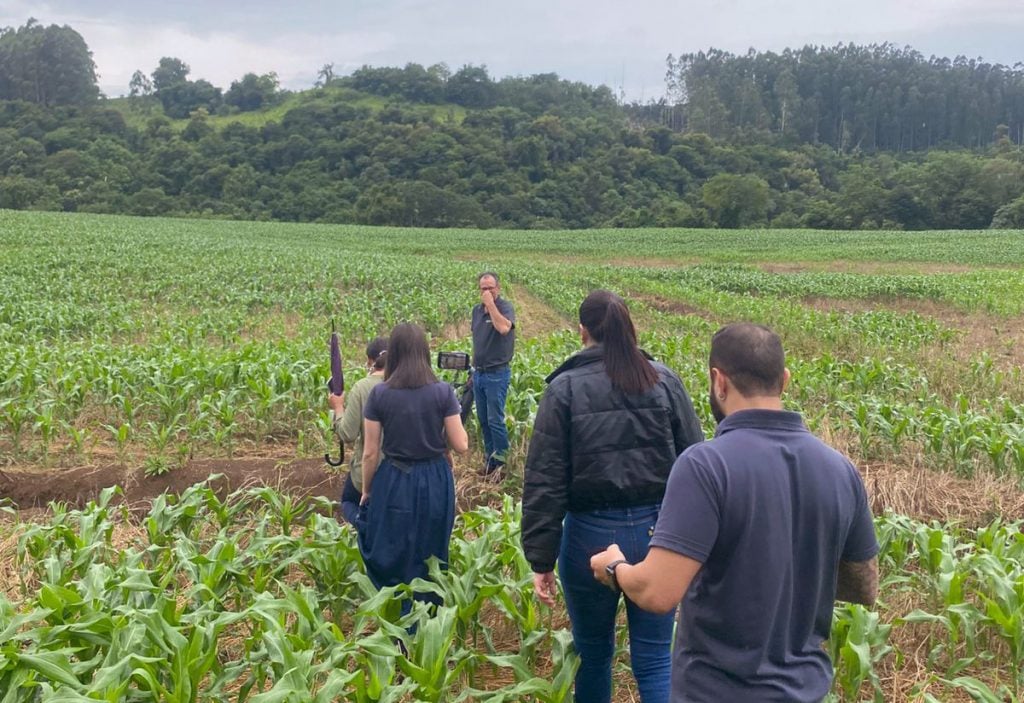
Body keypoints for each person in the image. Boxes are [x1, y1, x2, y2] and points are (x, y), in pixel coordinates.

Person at [590, 323, 880, 703]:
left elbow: (659, 592)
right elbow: (866, 586)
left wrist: (615, 568)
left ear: (718, 381)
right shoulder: (838, 468)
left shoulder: (705, 465)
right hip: (804, 691)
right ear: (785, 380)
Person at [522, 290, 705, 703]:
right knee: (656, 657)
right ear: (628, 327)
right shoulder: (663, 381)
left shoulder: (563, 389)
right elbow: (695, 460)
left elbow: (545, 481)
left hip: (589, 536)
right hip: (659, 533)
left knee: (592, 653)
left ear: (582, 330)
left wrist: (540, 558)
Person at [358, 323, 470, 610]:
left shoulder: (380, 394)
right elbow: (462, 445)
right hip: (435, 478)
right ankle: (429, 617)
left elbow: (370, 453)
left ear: (393, 353)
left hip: (394, 477)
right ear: (424, 352)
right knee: (431, 549)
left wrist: (367, 490)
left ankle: (398, 613)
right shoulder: (443, 392)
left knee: (395, 545)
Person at [327, 336, 387, 525]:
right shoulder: (408, 385)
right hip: (402, 473)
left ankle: (365, 530)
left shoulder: (363, 388)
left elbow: (347, 434)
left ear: (371, 361)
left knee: (347, 501)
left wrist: (338, 408)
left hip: (370, 473)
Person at [471, 271, 515, 475]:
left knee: (495, 419)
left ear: (498, 288)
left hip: (497, 373)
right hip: (479, 373)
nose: (487, 292)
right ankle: (490, 461)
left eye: (490, 288)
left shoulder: (505, 308)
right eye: (483, 289)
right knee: (483, 419)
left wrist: (491, 305)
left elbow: (504, 329)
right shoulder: (476, 312)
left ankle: (502, 464)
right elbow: (478, 342)